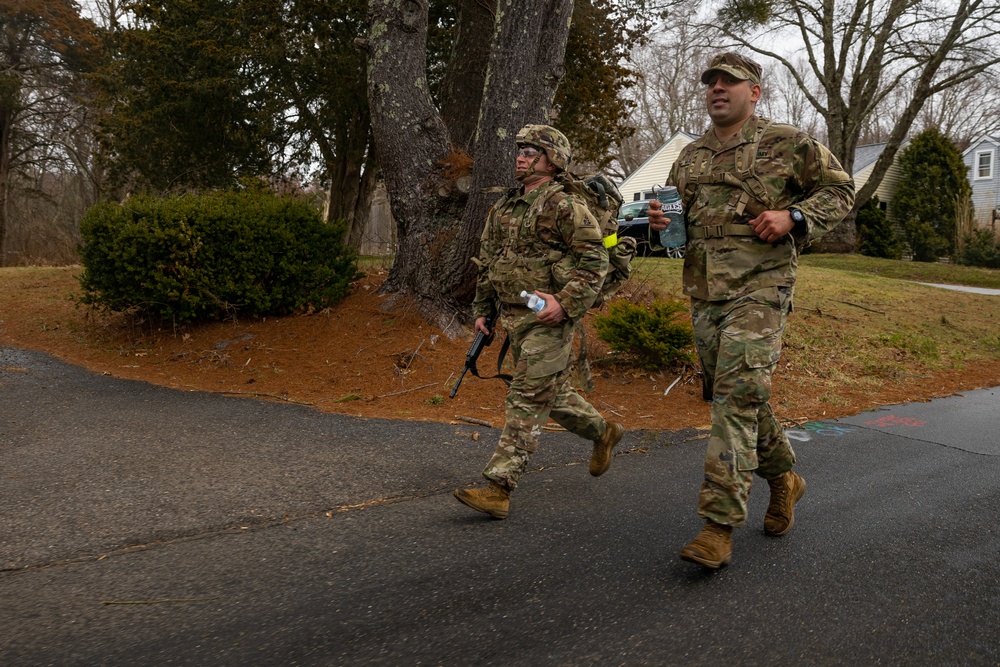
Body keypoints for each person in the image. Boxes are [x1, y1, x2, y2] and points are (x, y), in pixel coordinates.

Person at [648, 53, 855, 568]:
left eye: (729, 82)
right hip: (704, 291)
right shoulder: (690, 157)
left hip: (761, 287)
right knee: (742, 394)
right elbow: (679, 226)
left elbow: (841, 188)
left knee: (735, 398)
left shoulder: (787, 142)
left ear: (755, 92)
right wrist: (661, 224)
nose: (717, 89)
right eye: (711, 83)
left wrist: (795, 215)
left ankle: (717, 525)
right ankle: (785, 477)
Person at [453, 124, 625, 520]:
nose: (520, 155)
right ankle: (603, 432)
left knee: (527, 395)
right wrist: (483, 310)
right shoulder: (505, 207)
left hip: (549, 318)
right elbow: (490, 263)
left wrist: (565, 304)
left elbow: (595, 260)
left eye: (531, 150)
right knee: (551, 393)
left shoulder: (563, 205)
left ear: (554, 160)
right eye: (520, 149)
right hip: (515, 317)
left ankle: (499, 487)